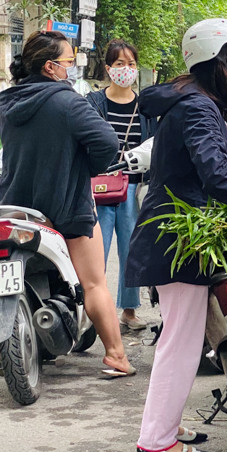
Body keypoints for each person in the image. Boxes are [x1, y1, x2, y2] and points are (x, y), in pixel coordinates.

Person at [126, 19, 227, 452]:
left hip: (175, 228)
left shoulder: (193, 101)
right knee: (181, 338)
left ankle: (166, 424)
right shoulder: (198, 107)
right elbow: (216, 173)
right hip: (177, 234)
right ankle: (156, 439)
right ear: (219, 65)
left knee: (184, 338)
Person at [0, 30, 134, 376]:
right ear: (50, 67)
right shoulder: (67, 101)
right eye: (69, 62)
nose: (72, 68)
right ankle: (116, 355)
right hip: (64, 205)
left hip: (14, 207)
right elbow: (105, 141)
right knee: (93, 282)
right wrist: (88, 166)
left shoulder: (7, 101)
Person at [85, 40, 156, 331]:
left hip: (133, 187)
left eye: (130, 64)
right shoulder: (94, 102)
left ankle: (129, 310)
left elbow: (153, 144)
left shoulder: (146, 107)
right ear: (108, 68)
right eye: (119, 64)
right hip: (99, 186)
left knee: (131, 250)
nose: (125, 70)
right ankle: (94, 313)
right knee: (96, 252)